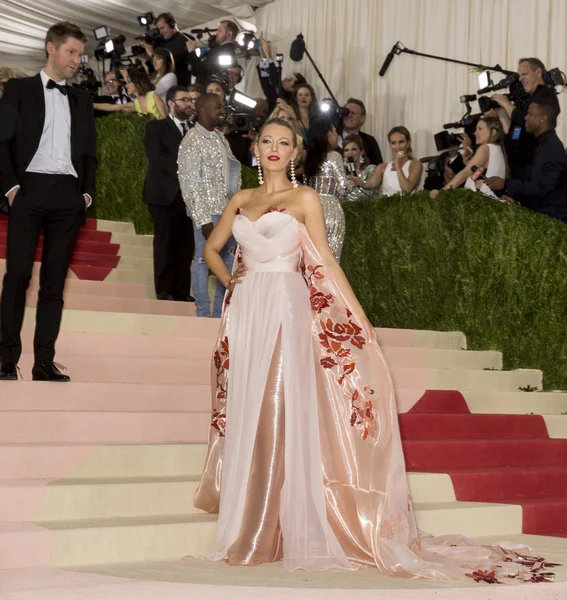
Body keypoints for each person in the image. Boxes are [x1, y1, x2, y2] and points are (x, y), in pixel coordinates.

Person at [192, 118, 556, 581]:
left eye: (284, 142)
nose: (275, 149)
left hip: (287, 307)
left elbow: (322, 259)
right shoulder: (241, 199)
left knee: (278, 405)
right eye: (267, 141)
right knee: (251, 409)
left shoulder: (305, 199)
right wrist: (232, 285)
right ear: (255, 147)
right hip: (248, 315)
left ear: (296, 152)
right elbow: (213, 248)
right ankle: (254, 522)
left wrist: (358, 315)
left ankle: (269, 529)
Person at [0, 21, 96, 382]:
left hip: (68, 196)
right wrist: (10, 188)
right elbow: (2, 143)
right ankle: (6, 358)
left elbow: (89, 152)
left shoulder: (83, 99)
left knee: (54, 282)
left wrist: (86, 193)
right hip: (28, 191)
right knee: (18, 276)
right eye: (71, 52)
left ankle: (44, 361)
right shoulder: (18, 89)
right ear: (50, 48)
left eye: (79, 54)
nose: (76, 60)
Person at [178, 93, 241, 318]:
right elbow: (189, 182)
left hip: (226, 211)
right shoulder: (192, 140)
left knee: (226, 261)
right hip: (207, 211)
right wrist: (202, 217)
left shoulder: (219, 138)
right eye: (218, 107)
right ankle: (202, 312)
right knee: (203, 259)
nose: (222, 110)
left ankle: (219, 313)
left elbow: (232, 174)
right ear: (203, 110)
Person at [144, 86, 195, 302]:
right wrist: (188, 169)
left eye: (190, 100)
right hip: (164, 194)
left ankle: (182, 291)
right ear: (171, 103)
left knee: (186, 245)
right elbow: (158, 158)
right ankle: (164, 290)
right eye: (184, 99)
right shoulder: (156, 127)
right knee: (165, 243)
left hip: (189, 197)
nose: (189, 103)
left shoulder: (196, 130)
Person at [486, 99, 567, 222]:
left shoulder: (551, 148)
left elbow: (541, 188)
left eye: (530, 114)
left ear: (542, 118)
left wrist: (506, 184)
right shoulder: (543, 144)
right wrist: (518, 202)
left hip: (555, 223)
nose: (525, 118)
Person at [493, 58, 560, 180]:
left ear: (538, 72)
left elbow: (526, 120)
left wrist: (507, 104)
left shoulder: (546, 95)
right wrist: (502, 114)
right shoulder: (527, 100)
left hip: (532, 170)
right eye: (519, 75)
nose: (520, 79)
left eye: (524, 74)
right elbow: (516, 129)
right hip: (516, 171)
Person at [304, 118, 350, 261]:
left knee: (312, 259)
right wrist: (353, 183)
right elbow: (343, 188)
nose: (337, 135)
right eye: (335, 131)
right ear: (328, 134)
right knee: (331, 260)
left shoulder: (309, 159)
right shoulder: (334, 156)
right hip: (331, 210)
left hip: (311, 210)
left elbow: (306, 187)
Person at [429, 117, 507, 201]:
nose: (475, 133)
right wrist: (469, 162)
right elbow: (484, 174)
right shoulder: (498, 148)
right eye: (476, 129)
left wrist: (442, 192)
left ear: (493, 132)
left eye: (480, 129)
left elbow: (465, 173)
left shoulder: (485, 148)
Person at [352, 126, 422, 196]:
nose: (397, 147)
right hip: (385, 205)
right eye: (393, 143)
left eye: (401, 142)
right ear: (390, 145)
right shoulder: (382, 167)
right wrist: (360, 182)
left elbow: (407, 189)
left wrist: (397, 166)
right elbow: (372, 183)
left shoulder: (415, 165)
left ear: (408, 143)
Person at [93, 70, 167, 119]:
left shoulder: (153, 95)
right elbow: (114, 107)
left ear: (137, 84)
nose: (126, 85)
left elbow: (164, 117)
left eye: (129, 83)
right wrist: (93, 105)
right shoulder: (136, 104)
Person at [143, 13, 191, 87]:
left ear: (172, 25)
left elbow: (169, 61)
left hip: (180, 87)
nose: (160, 32)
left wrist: (151, 53)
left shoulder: (182, 40)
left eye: (162, 28)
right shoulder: (164, 43)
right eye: (159, 29)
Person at [185, 20, 238, 85]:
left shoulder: (225, 52)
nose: (216, 33)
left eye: (220, 31)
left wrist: (192, 52)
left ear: (229, 33)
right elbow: (204, 71)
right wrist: (193, 67)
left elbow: (203, 69)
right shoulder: (220, 49)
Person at [341, 98, 383, 166]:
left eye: (353, 113)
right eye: (346, 112)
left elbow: (378, 167)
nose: (349, 116)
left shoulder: (369, 141)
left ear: (362, 119)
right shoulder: (332, 139)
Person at [343, 135, 377, 201]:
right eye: (346, 150)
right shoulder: (342, 173)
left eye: (354, 149)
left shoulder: (371, 169)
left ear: (361, 152)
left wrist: (362, 183)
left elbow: (373, 192)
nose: (350, 153)